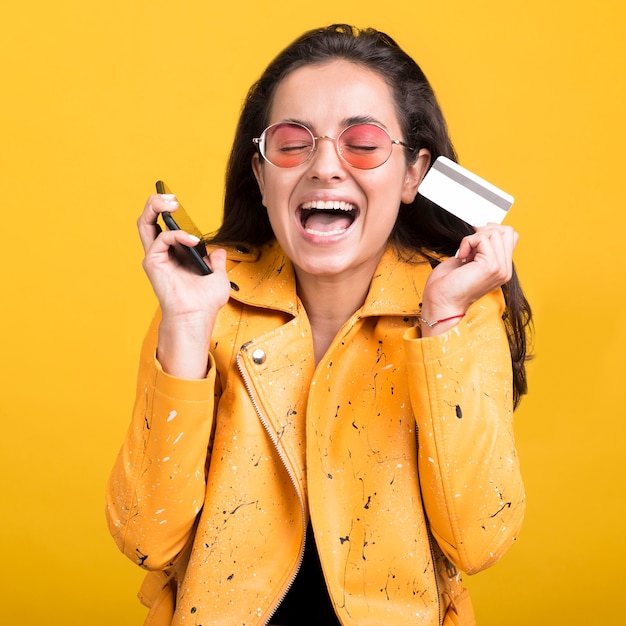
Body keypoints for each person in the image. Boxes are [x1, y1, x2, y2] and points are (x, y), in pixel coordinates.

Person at [106, 24, 532, 626]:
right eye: (291, 142)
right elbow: (145, 537)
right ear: (260, 176)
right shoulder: (206, 304)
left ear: (413, 174)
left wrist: (442, 325)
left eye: (362, 141)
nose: (325, 167)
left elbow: (479, 540)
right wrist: (183, 327)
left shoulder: (460, 314)